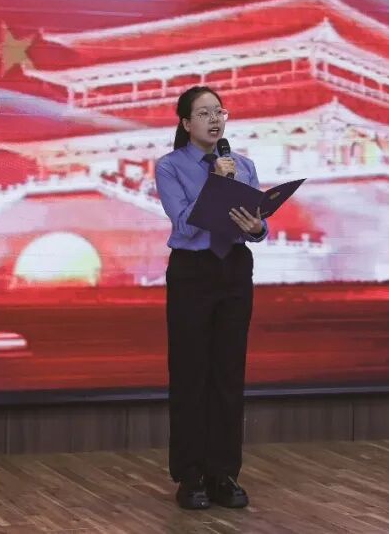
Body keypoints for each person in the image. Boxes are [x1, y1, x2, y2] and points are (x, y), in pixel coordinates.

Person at [153, 85, 268, 510]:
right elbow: (184, 225)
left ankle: (224, 472)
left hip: (234, 268)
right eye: (204, 113)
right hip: (192, 272)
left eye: (219, 111)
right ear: (186, 123)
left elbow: (256, 223)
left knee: (228, 373)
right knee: (191, 373)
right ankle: (190, 474)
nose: (215, 119)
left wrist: (258, 228)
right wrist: (216, 182)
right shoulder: (170, 167)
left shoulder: (244, 165)